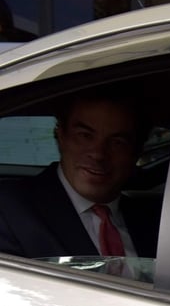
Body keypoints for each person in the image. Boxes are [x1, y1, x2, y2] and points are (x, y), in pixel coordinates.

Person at [0, 88, 160, 260]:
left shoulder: (155, 221)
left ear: (136, 152)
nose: (98, 154)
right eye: (84, 136)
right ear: (60, 136)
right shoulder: (10, 207)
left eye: (117, 143)